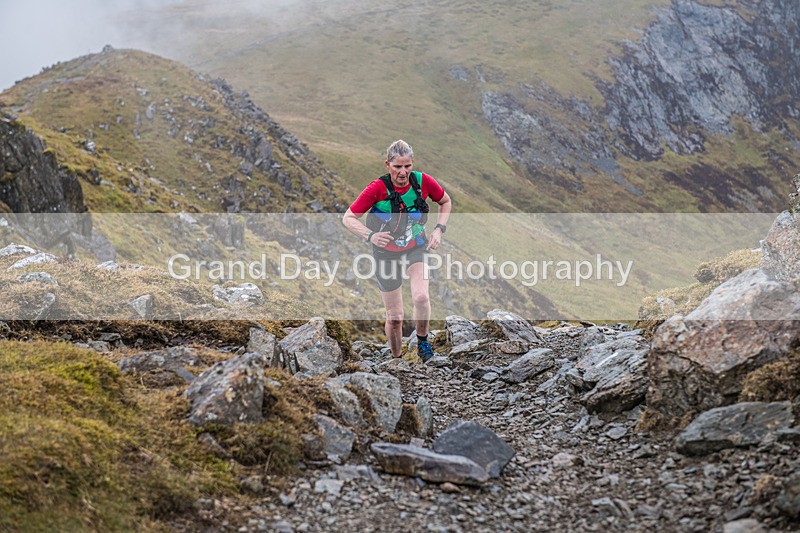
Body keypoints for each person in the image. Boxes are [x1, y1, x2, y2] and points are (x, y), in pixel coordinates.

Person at [342, 140, 452, 362]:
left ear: (412, 164)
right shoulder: (377, 188)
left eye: (407, 166)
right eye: (397, 166)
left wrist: (439, 229)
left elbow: (445, 201)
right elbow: (348, 218)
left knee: (421, 297)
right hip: (386, 253)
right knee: (395, 317)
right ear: (387, 165)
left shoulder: (422, 182)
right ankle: (397, 360)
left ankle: (423, 343)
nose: (403, 172)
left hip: (416, 247)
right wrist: (370, 235)